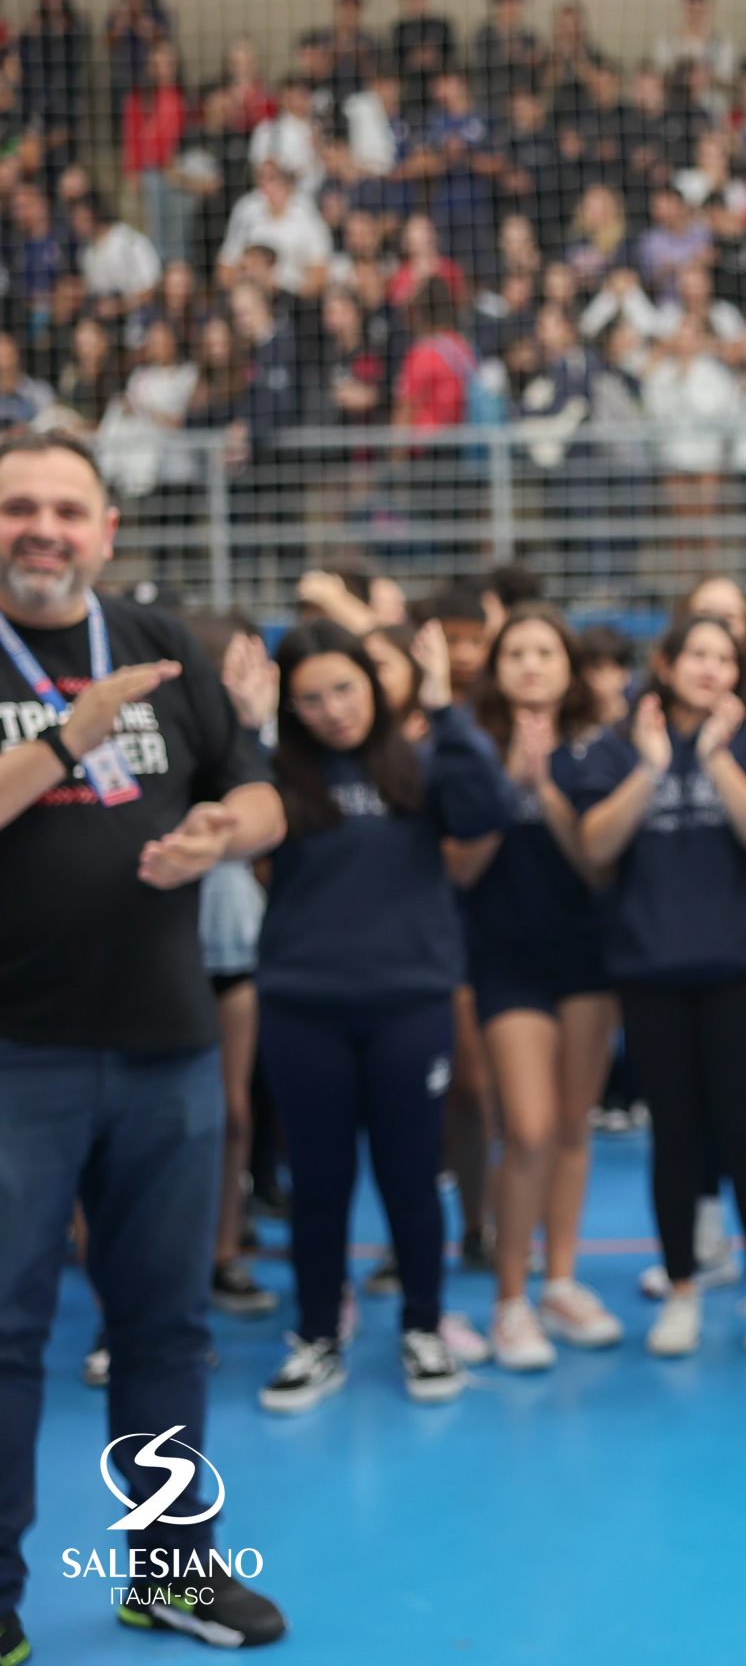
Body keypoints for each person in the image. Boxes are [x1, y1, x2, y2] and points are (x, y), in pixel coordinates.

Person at [0, 429, 287, 1655]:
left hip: (168, 1050)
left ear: (108, 529)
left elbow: (266, 791)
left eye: (68, 508)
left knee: (165, 1325)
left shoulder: (166, 644)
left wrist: (225, 832)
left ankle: (170, 1569)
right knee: (4, 1331)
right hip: (17, 1058)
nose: (44, 528)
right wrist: (71, 732)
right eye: (19, 507)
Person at [252, 615, 508, 1414]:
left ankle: (422, 1327)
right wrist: (247, 726)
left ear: (376, 684)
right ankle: (318, 1334)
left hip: (408, 1003)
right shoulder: (277, 776)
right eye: (313, 698)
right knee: (320, 1181)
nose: (334, 709)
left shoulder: (422, 764)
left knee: (409, 1178)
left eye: (346, 688)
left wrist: (446, 704)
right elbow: (226, 814)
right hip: (304, 1007)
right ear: (291, 708)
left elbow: (487, 808)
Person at [565, 615, 746, 1358]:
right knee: (675, 1136)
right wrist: (651, 766)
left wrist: (720, 756)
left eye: (723, 657)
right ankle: (683, 1288)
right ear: (664, 662)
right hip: (652, 969)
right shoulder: (620, 740)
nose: (709, 667)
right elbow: (595, 846)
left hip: (740, 968)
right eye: (695, 653)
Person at [450, 607, 626, 1370]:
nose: (529, 664)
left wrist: (547, 786)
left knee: (573, 1125)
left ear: (568, 666)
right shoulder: (470, 747)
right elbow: (457, 867)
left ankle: (559, 1280)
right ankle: (510, 1299)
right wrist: (506, 786)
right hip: (504, 960)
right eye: (514, 652)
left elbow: (596, 865)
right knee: (525, 1126)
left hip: (587, 956)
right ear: (496, 667)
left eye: (544, 651)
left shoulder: (599, 751)